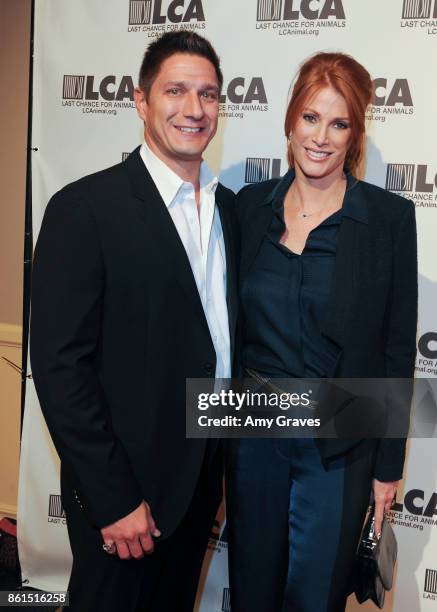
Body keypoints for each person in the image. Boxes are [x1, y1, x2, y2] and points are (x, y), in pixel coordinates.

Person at [30, 30, 238, 612]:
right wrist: (114, 497)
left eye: (208, 94)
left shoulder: (231, 213)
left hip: (200, 481)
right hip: (125, 493)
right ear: (141, 101)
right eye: (176, 91)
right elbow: (59, 367)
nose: (193, 109)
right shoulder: (84, 209)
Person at [226, 52, 417, 612]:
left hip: (340, 438)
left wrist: (387, 470)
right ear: (289, 120)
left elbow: (396, 349)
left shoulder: (387, 220)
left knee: (315, 599)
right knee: (253, 592)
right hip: (252, 431)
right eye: (311, 118)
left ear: (355, 133)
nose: (321, 137)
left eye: (339, 123)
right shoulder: (246, 208)